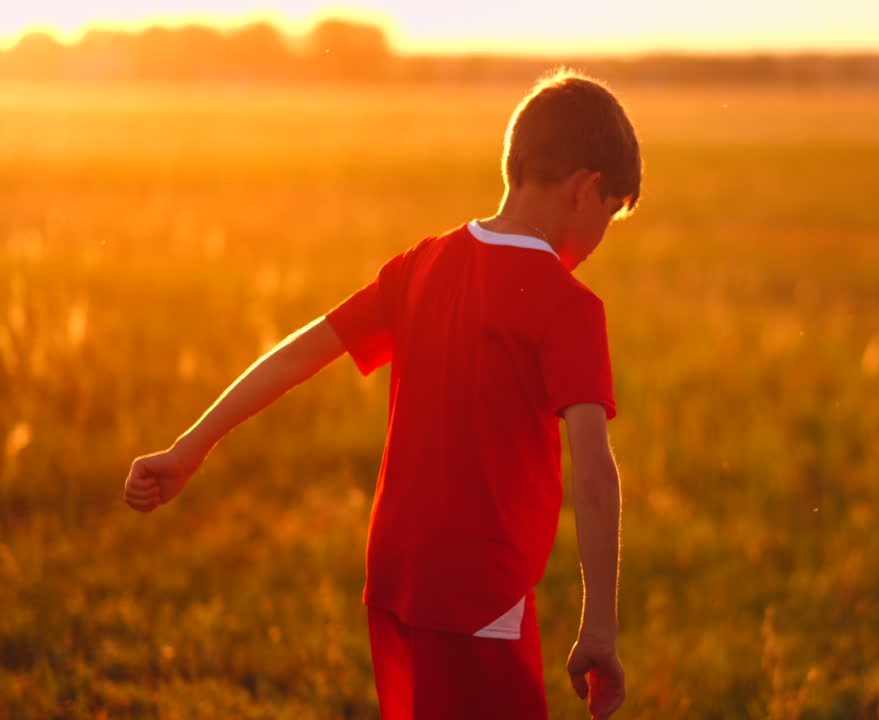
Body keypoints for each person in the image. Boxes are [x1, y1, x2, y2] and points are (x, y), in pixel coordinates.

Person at [122, 67, 640, 720]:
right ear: (585, 189)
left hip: (395, 580)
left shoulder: (424, 262)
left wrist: (191, 446)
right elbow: (593, 471)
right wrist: (600, 626)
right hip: (481, 596)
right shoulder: (569, 306)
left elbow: (301, 352)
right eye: (610, 214)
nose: (599, 239)